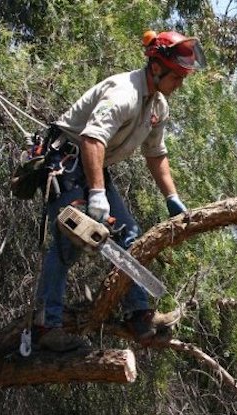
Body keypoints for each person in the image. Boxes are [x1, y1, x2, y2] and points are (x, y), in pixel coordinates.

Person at [35, 30, 206, 352]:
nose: (180, 84)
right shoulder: (123, 93)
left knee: (128, 233)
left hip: (92, 164)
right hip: (67, 161)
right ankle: (46, 326)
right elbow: (91, 139)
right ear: (156, 68)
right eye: (177, 76)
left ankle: (138, 313)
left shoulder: (158, 106)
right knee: (67, 241)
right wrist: (96, 193)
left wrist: (172, 198)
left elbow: (156, 154)